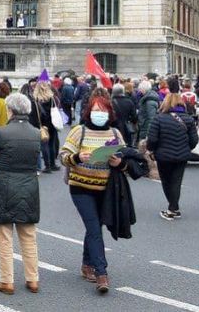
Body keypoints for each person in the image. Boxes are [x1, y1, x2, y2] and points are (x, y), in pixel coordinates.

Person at [60, 94, 126, 294]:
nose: (100, 114)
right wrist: (77, 157)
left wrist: (119, 162)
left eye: (103, 110)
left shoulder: (115, 133)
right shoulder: (78, 131)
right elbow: (63, 157)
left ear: (109, 113)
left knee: (95, 227)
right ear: (89, 112)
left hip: (106, 189)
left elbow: (125, 160)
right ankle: (101, 273)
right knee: (94, 228)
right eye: (96, 110)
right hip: (81, 187)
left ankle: (87, 264)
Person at [0, 93, 41, 295]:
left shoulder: (1, 133)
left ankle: (7, 281)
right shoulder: (36, 133)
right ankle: (32, 278)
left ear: (10, 110)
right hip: (29, 185)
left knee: (4, 236)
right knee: (28, 235)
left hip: (4, 184)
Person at [146, 93, 198, 221]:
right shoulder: (188, 119)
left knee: (166, 181)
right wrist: (186, 148)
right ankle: (174, 207)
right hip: (182, 155)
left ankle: (172, 208)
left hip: (163, 155)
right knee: (176, 181)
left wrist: (152, 149)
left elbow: (152, 139)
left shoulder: (159, 118)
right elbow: (194, 140)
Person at [29, 79, 59, 173]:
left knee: (44, 145)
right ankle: (53, 163)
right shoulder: (51, 98)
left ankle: (47, 166)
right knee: (51, 144)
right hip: (52, 123)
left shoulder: (36, 99)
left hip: (41, 124)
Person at [111, 84, 138, 149]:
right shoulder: (129, 102)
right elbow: (134, 117)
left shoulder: (110, 102)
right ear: (123, 91)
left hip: (113, 128)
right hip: (126, 129)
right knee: (126, 147)